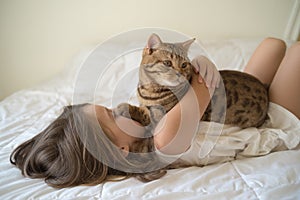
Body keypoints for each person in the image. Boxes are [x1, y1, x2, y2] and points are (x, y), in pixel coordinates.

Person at [10, 38, 300, 188]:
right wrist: (199, 62)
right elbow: (203, 84)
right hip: (267, 120)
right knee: (296, 50)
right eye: (112, 115)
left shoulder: (141, 129)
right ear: (121, 150)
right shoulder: (165, 140)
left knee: (273, 45)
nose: (119, 108)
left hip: (235, 107)